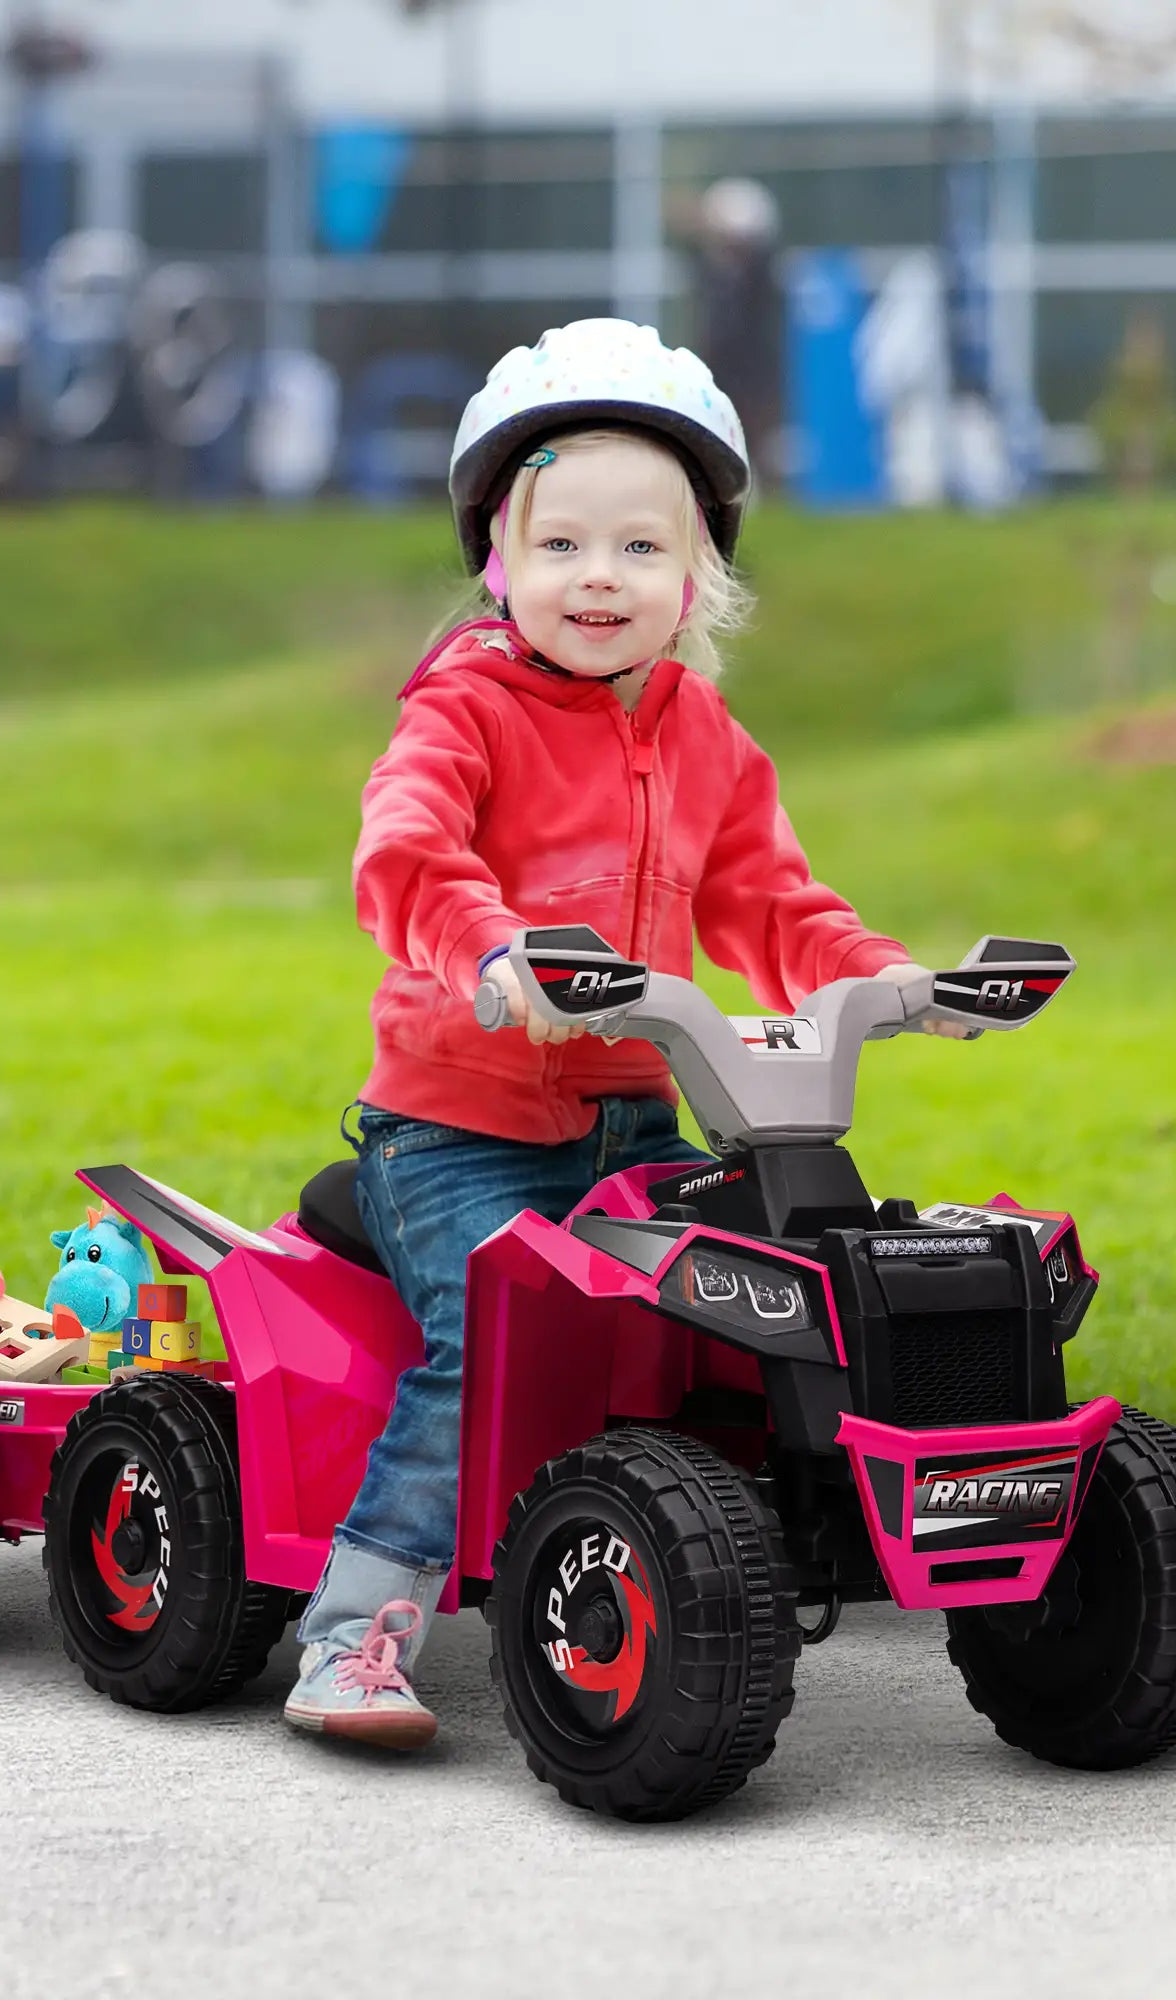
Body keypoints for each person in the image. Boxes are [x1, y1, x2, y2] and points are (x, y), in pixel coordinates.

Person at [283, 317, 953, 1750]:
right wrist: (489, 948)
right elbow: (404, 853)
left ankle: (748, 1551)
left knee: (737, 1316)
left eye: (643, 549)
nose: (601, 577)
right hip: (458, 1129)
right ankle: (355, 1627)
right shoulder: (463, 708)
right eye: (564, 545)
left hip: (639, 1116)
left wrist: (885, 977)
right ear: (498, 564)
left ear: (700, 572)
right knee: (491, 1348)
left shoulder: (703, 733)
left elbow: (771, 899)